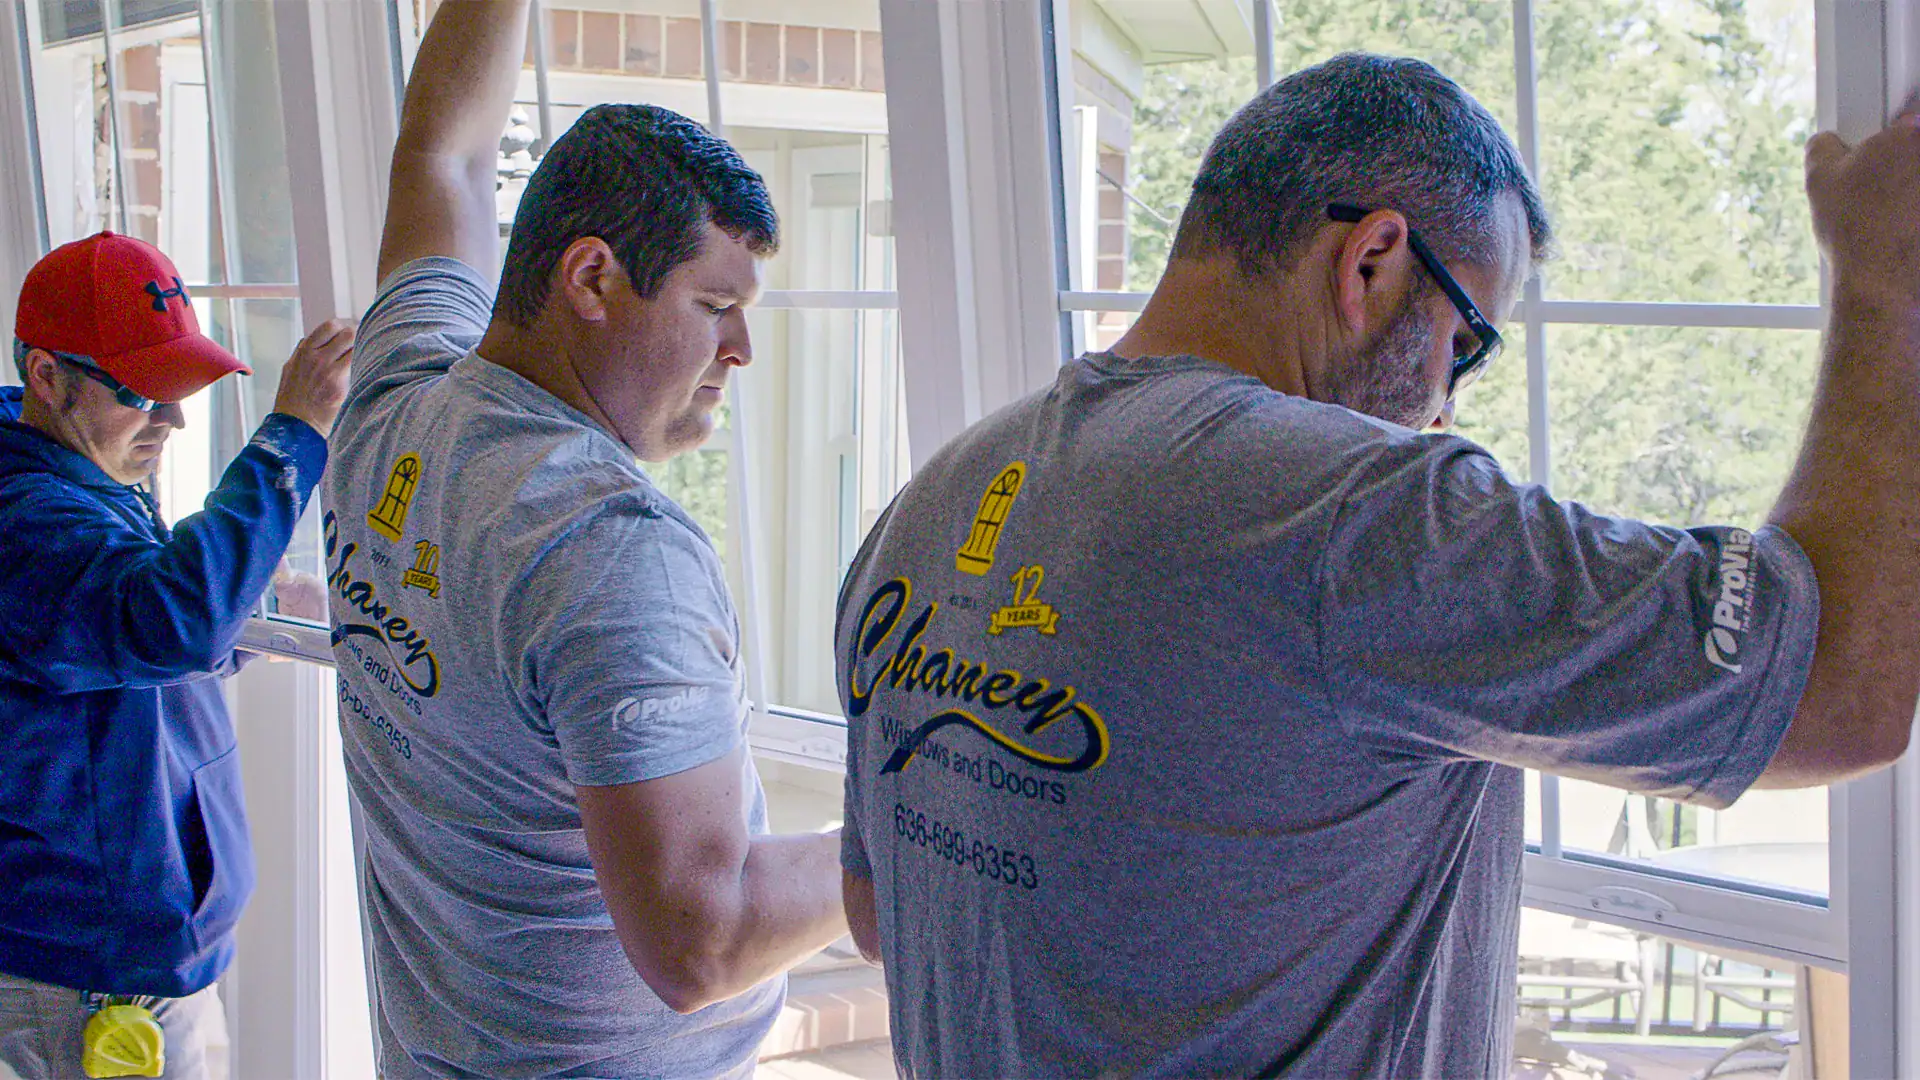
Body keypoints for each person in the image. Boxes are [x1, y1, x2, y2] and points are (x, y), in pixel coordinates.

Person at [835, 53, 1920, 1077]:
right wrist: (1884, 292)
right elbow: (1837, 691)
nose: (1447, 407)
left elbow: (880, 914)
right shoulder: (1351, 516)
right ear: (1371, 260)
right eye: (1467, 342)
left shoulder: (930, 504)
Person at [323, 1, 846, 1075]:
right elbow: (705, 941)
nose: (742, 348)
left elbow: (444, 158)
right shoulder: (607, 546)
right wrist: (923, 815)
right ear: (592, 276)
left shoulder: (393, 402)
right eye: (714, 304)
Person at [0, 230, 353, 1080]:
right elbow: (166, 621)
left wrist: (259, 617)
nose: (173, 420)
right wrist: (293, 434)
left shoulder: (84, 476)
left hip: (123, 960)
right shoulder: (26, 517)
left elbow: (114, 633)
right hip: (92, 980)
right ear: (47, 377)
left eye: (180, 389)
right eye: (144, 393)